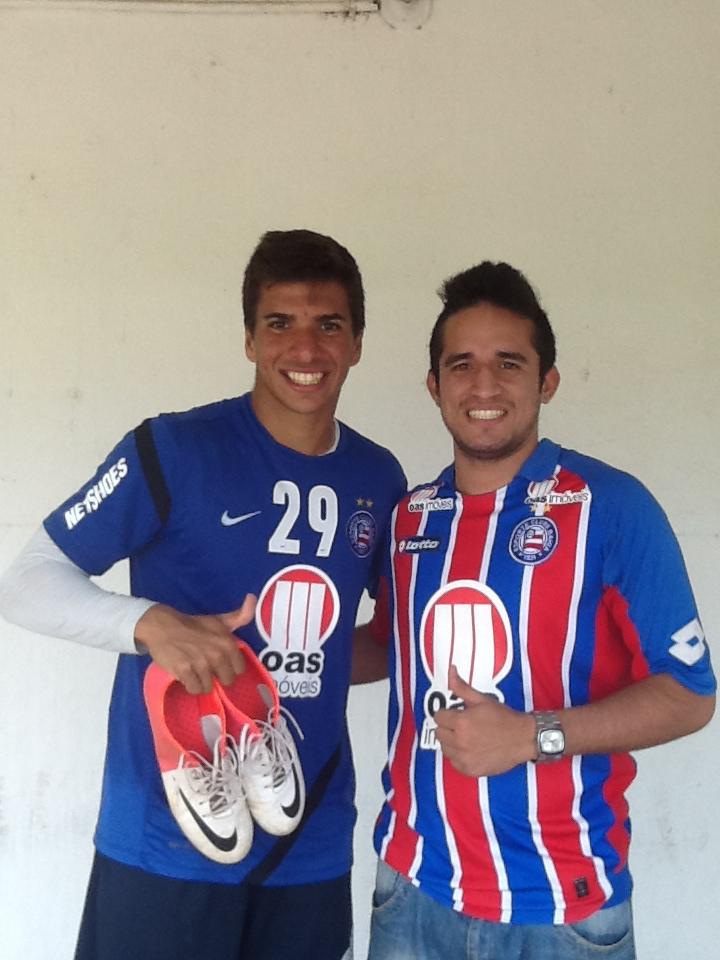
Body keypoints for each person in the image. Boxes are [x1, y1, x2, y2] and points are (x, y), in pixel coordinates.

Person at [0, 229, 406, 960]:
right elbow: (27, 581)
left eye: (328, 325)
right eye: (279, 323)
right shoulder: (172, 448)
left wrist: (299, 661)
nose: (305, 348)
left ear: (356, 344)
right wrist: (152, 624)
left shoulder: (379, 477)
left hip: (308, 837)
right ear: (249, 339)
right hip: (166, 835)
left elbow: (389, 640)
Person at [354, 261, 715, 960]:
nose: (484, 385)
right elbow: (383, 647)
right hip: (410, 892)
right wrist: (253, 649)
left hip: (560, 910)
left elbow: (690, 695)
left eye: (508, 363)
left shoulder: (610, 507)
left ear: (546, 381)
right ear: (434, 385)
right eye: (461, 364)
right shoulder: (410, 519)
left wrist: (530, 736)